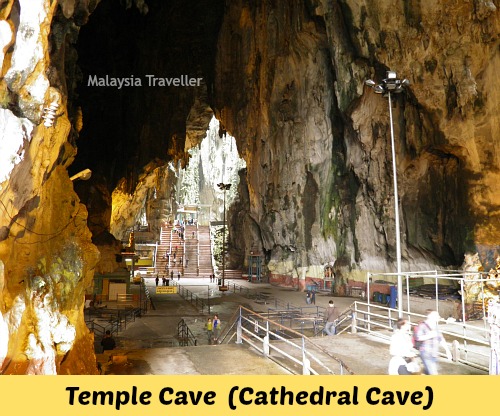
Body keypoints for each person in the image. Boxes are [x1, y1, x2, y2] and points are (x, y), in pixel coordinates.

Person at [414, 309, 452, 375]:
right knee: (433, 373)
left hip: (434, 353)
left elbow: (441, 338)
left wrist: (447, 350)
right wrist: (429, 335)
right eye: (436, 315)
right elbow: (418, 337)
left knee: (428, 372)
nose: (439, 316)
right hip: (426, 352)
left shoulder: (435, 326)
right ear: (430, 316)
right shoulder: (422, 325)